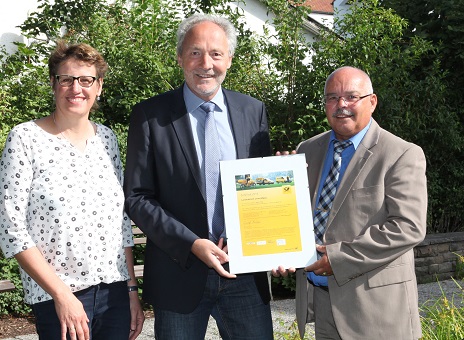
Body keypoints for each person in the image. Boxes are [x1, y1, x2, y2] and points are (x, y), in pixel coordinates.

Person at [123, 14, 273, 340]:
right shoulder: (150, 115)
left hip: (244, 273)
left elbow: (262, 187)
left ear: (229, 59)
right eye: (195, 52)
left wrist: (283, 181)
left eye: (216, 54)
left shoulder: (253, 111)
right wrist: (191, 244)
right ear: (180, 58)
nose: (206, 63)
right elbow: (137, 197)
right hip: (180, 272)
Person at [0, 41, 144, 340]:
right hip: (59, 299)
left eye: (86, 80)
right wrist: (62, 296)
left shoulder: (107, 139)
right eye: (66, 79)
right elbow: (11, 228)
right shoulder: (25, 138)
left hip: (114, 294)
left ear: (99, 86)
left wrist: (131, 291)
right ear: (53, 84)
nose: (76, 88)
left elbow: (121, 224)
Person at [273, 66, 427, 339]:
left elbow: (408, 227)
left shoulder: (401, 154)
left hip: (377, 310)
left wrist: (339, 259)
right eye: (332, 97)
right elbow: (294, 214)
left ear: (372, 101)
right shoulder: (308, 149)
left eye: (351, 97)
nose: (341, 105)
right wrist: (277, 184)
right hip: (321, 305)